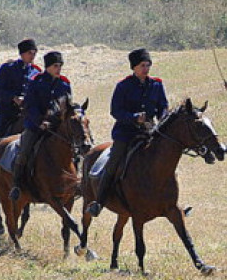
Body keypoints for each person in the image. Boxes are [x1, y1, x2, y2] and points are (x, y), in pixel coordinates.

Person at [86, 48, 169, 217]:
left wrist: (162, 119)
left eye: (148, 65)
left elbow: (163, 107)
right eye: (142, 65)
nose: (146, 69)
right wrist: (133, 118)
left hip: (149, 133)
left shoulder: (157, 85)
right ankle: (99, 202)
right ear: (134, 67)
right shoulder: (123, 86)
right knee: (113, 164)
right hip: (126, 134)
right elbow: (115, 111)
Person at [9, 51, 71, 200]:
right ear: (48, 67)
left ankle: (76, 181)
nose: (59, 68)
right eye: (55, 66)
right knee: (24, 150)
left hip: (56, 126)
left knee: (75, 146)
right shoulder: (36, 81)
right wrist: (40, 122)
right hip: (36, 126)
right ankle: (17, 185)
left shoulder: (64, 83)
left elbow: (67, 106)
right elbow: (30, 106)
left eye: (60, 65)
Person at [0, 38, 41, 142]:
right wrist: (13, 98)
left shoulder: (36, 72)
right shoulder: (7, 68)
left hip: (27, 112)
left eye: (34, 53)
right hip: (5, 111)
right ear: (22, 54)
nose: (32, 56)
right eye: (29, 53)